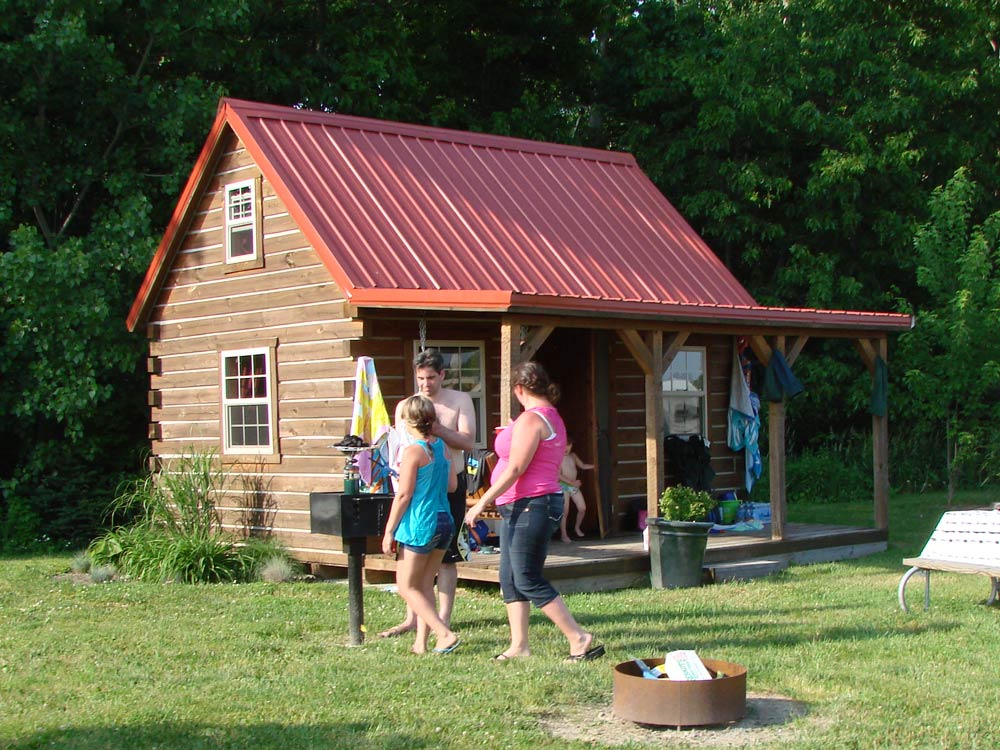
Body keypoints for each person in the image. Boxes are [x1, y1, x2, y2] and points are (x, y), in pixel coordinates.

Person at [465, 361, 605, 663]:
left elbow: (516, 467)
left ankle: (578, 638)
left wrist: (480, 502)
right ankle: (519, 646)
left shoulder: (532, 420)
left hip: (532, 504)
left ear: (518, 390)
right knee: (510, 577)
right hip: (525, 505)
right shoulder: (548, 416)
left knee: (526, 577)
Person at [379, 349, 477, 638]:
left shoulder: (460, 400)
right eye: (420, 378)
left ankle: (442, 619)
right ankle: (413, 617)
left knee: (446, 556)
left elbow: (468, 441)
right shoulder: (406, 406)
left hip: (450, 485)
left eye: (431, 378)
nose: (425, 384)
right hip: (415, 487)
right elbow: (401, 446)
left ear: (442, 375)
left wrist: (436, 429)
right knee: (407, 551)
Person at [381, 395, 462, 654]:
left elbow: (403, 495)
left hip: (420, 524)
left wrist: (389, 530)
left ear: (408, 421)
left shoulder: (413, 451)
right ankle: (420, 644)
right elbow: (453, 486)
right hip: (444, 520)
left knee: (407, 586)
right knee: (426, 585)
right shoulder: (443, 448)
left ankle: (444, 633)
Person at [558, 439, 594, 542]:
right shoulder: (559, 458)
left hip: (573, 486)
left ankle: (577, 527)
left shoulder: (573, 456)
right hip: (563, 486)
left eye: (568, 445)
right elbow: (558, 475)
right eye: (564, 445)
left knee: (582, 508)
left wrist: (595, 466)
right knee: (565, 511)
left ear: (571, 445)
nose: (566, 448)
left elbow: (582, 465)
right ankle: (564, 534)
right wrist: (571, 482)